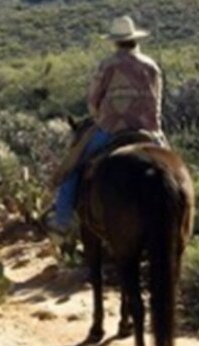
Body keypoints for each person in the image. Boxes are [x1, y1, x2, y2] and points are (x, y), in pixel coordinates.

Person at [45, 16, 165, 236]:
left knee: (76, 165)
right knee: (170, 167)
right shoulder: (152, 66)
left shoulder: (108, 65)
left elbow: (93, 99)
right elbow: (157, 101)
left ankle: (62, 218)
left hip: (111, 128)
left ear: (115, 42)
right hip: (149, 130)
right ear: (135, 40)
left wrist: (99, 115)